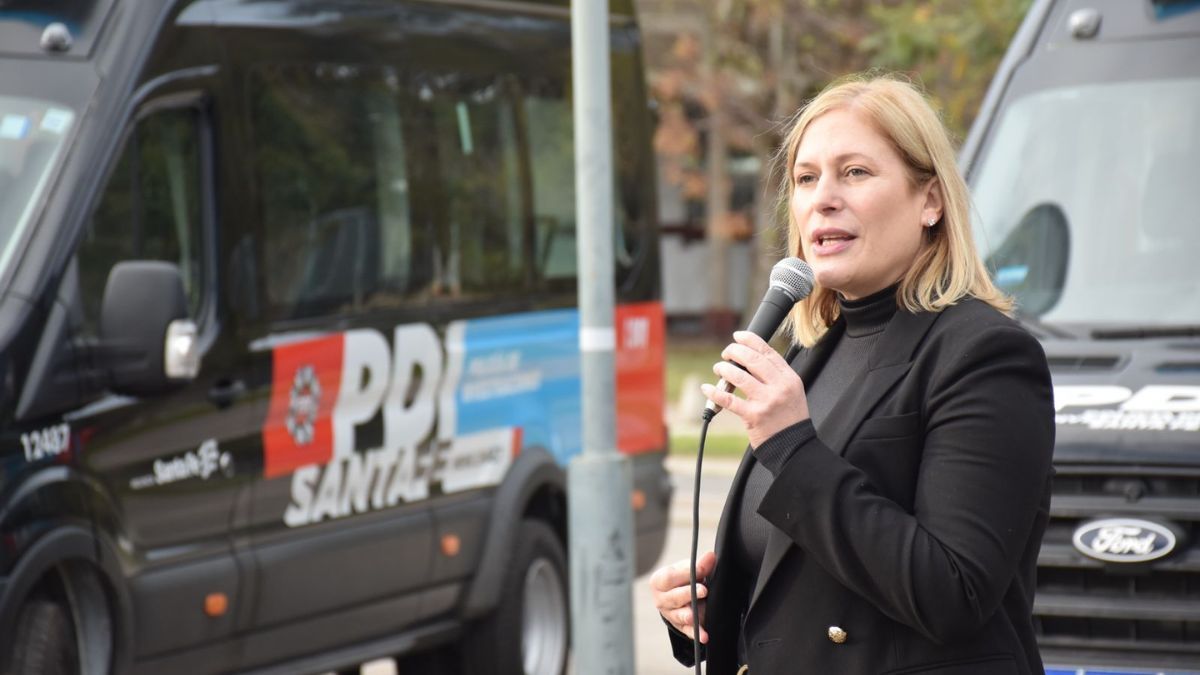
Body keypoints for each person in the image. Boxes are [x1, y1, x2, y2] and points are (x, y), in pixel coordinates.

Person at [649, 73, 1055, 675]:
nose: (823, 198)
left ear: (931, 201)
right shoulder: (812, 354)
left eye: (856, 172)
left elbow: (953, 592)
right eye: (806, 178)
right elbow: (813, 576)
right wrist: (713, 612)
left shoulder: (986, 356)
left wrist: (792, 446)